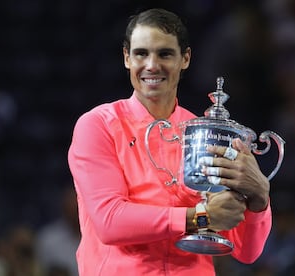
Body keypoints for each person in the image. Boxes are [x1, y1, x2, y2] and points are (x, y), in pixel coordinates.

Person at [68, 8, 273, 275]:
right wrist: (201, 217)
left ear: (185, 58)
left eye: (164, 53)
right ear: (127, 58)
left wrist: (260, 199)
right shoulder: (98, 125)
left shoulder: (204, 134)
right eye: (141, 53)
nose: (152, 65)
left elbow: (247, 252)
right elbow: (110, 222)